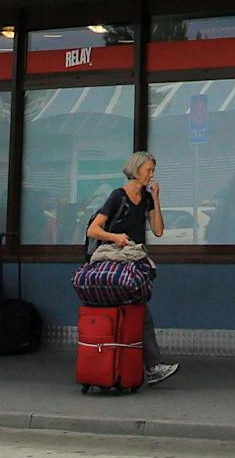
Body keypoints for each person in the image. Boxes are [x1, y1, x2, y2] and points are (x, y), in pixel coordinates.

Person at [85, 152, 179, 386]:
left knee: (136, 310)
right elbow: (93, 230)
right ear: (136, 170)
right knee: (137, 310)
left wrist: (156, 199)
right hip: (114, 263)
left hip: (132, 262)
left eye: (152, 171)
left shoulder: (146, 198)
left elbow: (158, 230)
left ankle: (131, 364)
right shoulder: (118, 196)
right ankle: (149, 365)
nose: (151, 175)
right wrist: (115, 236)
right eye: (149, 170)